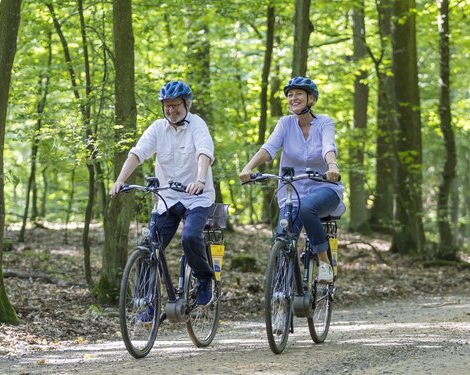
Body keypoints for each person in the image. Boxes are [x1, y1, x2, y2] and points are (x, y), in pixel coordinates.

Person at [110, 80, 216, 309]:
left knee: (189, 237)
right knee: (150, 247)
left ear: (186, 104)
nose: (171, 110)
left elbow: (204, 152)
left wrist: (199, 179)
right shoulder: (158, 128)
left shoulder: (197, 125)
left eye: (175, 105)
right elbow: (138, 153)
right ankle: (147, 303)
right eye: (167, 106)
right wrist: (120, 180)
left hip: (197, 197)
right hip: (166, 199)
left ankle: (205, 278)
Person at [239, 76, 345, 283]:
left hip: (325, 188)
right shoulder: (285, 124)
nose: (293, 98)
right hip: (291, 192)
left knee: (307, 207)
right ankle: (282, 293)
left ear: (311, 99)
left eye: (298, 94)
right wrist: (248, 167)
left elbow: (328, 147)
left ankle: (324, 263)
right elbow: (269, 148)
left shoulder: (324, 122)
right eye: (290, 95)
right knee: (283, 239)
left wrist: (332, 166)